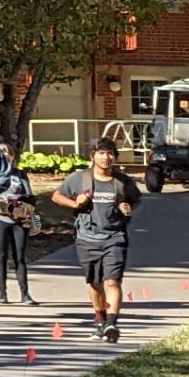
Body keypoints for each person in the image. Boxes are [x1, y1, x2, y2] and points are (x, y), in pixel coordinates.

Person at [50, 138, 143, 342]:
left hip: (115, 237)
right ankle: (100, 321)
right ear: (93, 156)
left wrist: (126, 208)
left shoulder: (122, 181)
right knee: (95, 283)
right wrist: (75, 204)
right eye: (101, 153)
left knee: (112, 281)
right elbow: (56, 196)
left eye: (110, 153)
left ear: (115, 157)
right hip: (87, 237)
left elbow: (135, 200)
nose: (106, 157)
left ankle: (111, 324)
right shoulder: (80, 179)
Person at [0, 134, 33, 305]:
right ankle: (2, 293)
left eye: (7, 152)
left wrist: (23, 210)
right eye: (1, 153)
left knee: (19, 256)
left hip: (19, 219)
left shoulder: (20, 174)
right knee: (1, 256)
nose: (5, 155)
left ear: (12, 156)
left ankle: (25, 293)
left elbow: (30, 196)